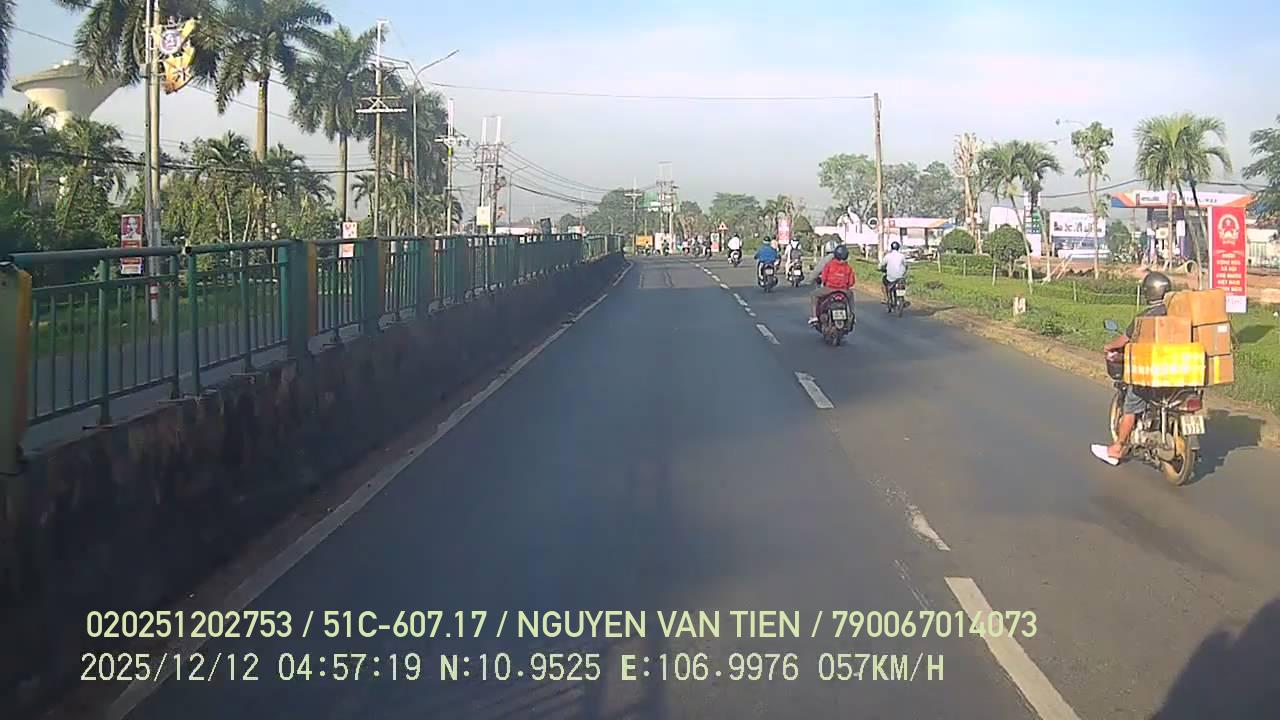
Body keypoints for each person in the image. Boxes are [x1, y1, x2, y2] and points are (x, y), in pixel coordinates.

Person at [1091, 271, 1172, 466]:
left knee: (1131, 406)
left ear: (1148, 292)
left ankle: (1117, 449)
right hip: (1180, 371)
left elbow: (1125, 339)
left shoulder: (1145, 317)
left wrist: (1109, 347)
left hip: (1152, 372)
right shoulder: (1178, 313)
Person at [810, 244, 856, 325]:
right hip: (843, 290)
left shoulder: (830, 264)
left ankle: (814, 317)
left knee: (814, 295)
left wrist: (825, 284)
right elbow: (851, 282)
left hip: (830, 289)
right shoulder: (848, 267)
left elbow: (824, 277)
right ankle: (852, 315)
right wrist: (846, 286)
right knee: (851, 296)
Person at [879, 241, 908, 305]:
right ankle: (902, 298)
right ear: (898, 248)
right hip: (900, 277)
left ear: (891, 247)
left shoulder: (887, 256)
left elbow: (882, 265)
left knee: (883, 282)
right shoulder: (902, 256)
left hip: (890, 278)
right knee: (903, 284)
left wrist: (881, 269)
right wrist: (904, 271)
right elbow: (906, 265)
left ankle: (886, 298)